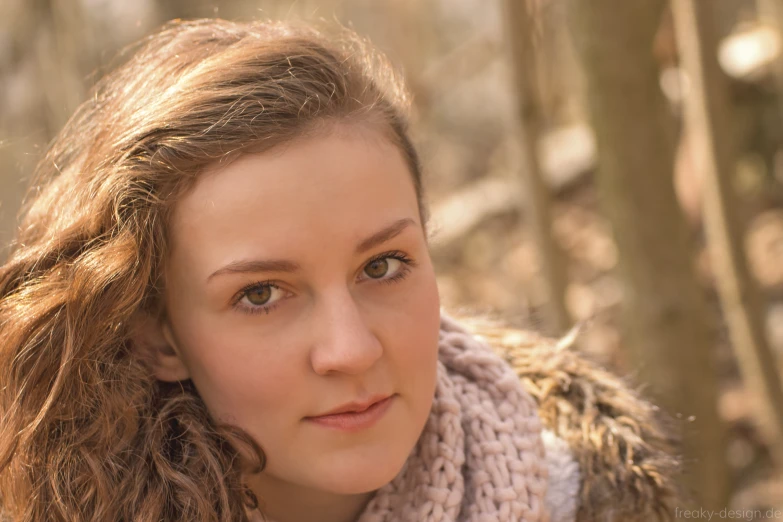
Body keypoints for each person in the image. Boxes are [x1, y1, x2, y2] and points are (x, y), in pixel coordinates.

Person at [0, 18, 683, 522]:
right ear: (161, 337)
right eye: (261, 294)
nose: (351, 350)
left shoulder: (586, 501)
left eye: (382, 266)